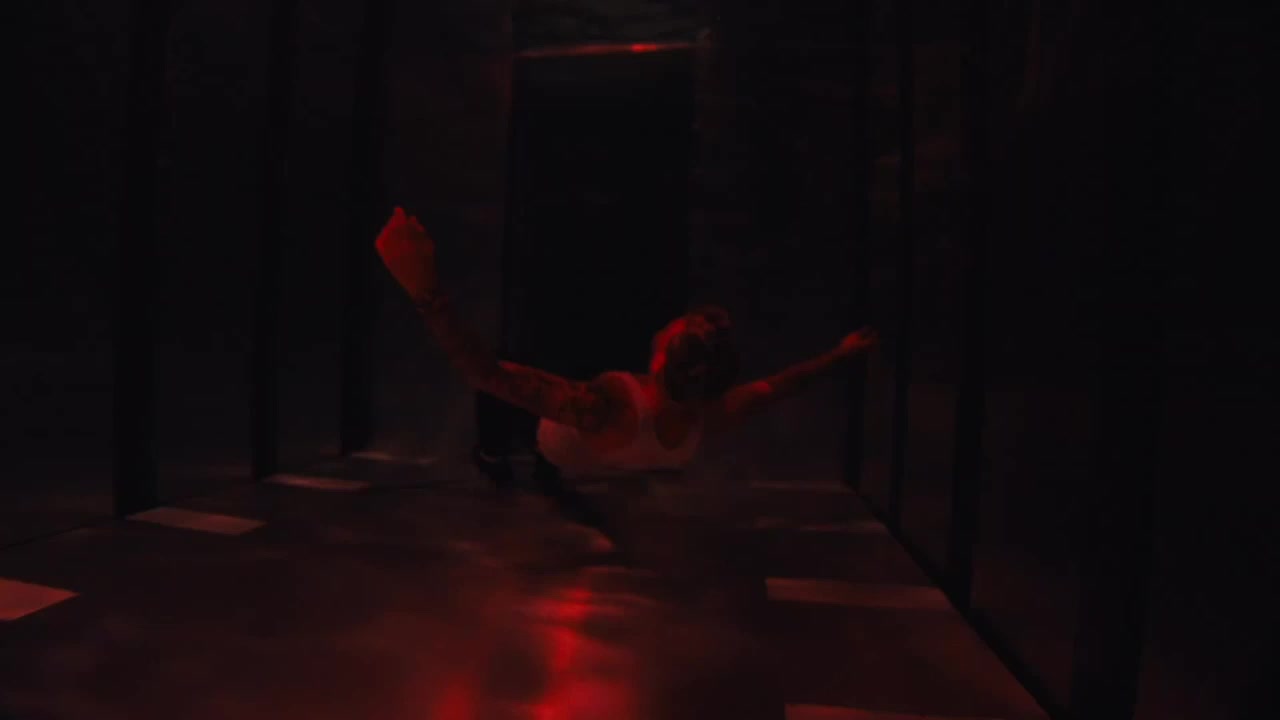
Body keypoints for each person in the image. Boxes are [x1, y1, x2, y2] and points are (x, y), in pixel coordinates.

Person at [375, 207, 878, 520]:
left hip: (558, 437)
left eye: (675, 328)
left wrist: (425, 290)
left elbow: (485, 374)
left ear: (660, 358)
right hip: (594, 453)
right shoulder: (712, 415)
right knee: (560, 388)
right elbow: (786, 384)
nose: (673, 322)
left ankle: (493, 457)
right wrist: (841, 354)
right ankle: (542, 471)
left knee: (514, 376)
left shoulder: (604, 404)